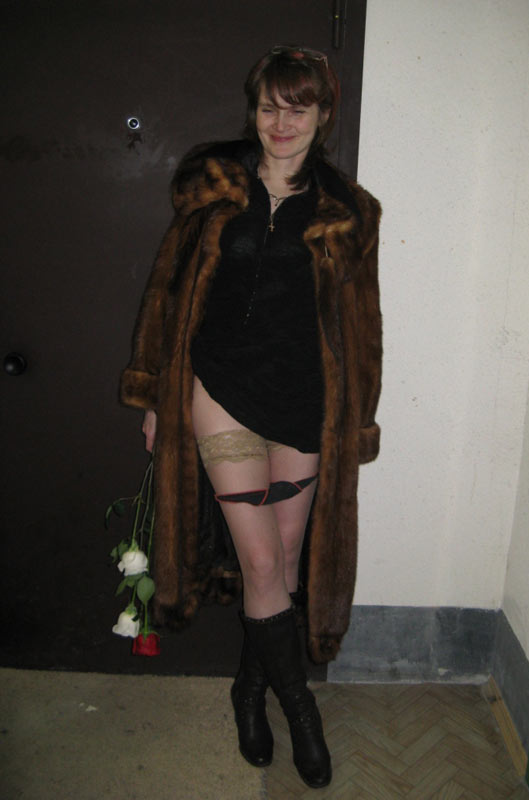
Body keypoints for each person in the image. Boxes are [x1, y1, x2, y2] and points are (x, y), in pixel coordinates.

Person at [120, 45, 382, 789]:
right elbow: (166, 294)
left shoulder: (347, 213)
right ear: (254, 110)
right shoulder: (213, 190)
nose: (281, 122)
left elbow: (363, 326)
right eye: (270, 106)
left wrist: (357, 421)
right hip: (222, 390)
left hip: (304, 401)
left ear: (323, 116)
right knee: (262, 562)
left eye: (299, 108)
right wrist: (155, 396)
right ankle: (301, 712)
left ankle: (247, 689)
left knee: (286, 563)